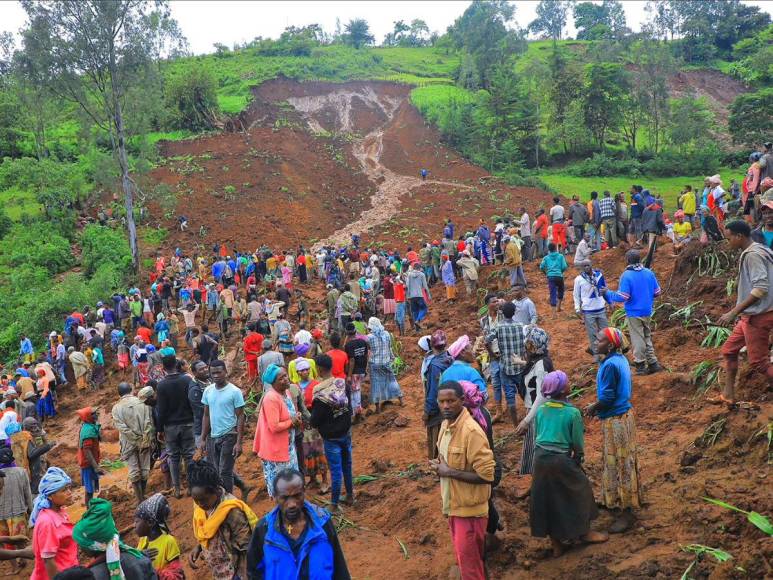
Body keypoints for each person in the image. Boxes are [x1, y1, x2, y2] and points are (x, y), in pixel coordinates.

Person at [530, 371, 608, 556]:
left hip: (540, 459)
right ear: (564, 390)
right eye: (567, 383)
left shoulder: (541, 409)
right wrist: (578, 456)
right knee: (580, 490)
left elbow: (538, 434)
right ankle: (584, 532)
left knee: (546, 498)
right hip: (561, 459)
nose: (569, 384)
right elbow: (577, 442)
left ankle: (556, 543)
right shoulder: (572, 413)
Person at [429, 381, 495, 580]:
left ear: (462, 401)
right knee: (467, 562)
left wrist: (448, 472)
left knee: (470, 569)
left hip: (470, 513)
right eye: (442, 401)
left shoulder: (471, 432)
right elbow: (447, 461)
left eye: (451, 401)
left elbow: (487, 475)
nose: (446, 406)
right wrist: (439, 466)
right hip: (454, 506)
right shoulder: (444, 426)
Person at [584, 328, 641, 533]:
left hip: (615, 419)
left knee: (619, 463)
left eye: (599, 340)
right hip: (625, 416)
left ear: (610, 345)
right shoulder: (620, 359)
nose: (595, 342)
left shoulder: (609, 366)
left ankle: (626, 513)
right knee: (626, 460)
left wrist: (593, 407)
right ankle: (625, 499)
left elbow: (607, 397)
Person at [247, 468, 350, 580]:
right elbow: (254, 571)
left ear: (304, 492)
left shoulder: (323, 523)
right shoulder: (263, 530)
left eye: (297, 496)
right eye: (284, 498)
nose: (292, 504)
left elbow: (339, 567)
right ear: (275, 497)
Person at [715, 220, 773, 406]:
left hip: (758, 314)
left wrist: (733, 312)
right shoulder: (760, 249)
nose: (728, 242)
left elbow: (760, 288)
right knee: (729, 350)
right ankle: (728, 395)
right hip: (751, 314)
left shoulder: (753, 256)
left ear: (739, 236)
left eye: (729, 238)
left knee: (759, 363)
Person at [188, 460, 257, 579]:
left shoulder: (232, 511)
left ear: (215, 490)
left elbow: (246, 546)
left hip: (234, 572)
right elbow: (206, 530)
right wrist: (199, 547)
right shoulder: (201, 507)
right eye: (196, 500)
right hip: (219, 571)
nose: (199, 504)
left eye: (203, 500)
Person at [604, 250, 663, 375]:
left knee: (637, 338)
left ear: (627, 261)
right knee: (647, 335)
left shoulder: (627, 275)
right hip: (647, 310)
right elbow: (657, 292)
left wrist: (607, 293)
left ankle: (640, 364)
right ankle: (653, 363)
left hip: (634, 312)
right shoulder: (648, 273)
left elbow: (623, 296)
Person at [73, 498, 157, 579]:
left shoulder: (92, 575)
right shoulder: (140, 559)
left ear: (93, 547)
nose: (80, 547)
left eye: (81, 544)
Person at [310, 355, 353, 511]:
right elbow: (349, 406)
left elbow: (315, 420)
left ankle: (334, 504)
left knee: (335, 471)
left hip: (331, 438)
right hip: (346, 432)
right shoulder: (342, 383)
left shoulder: (319, 393)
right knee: (347, 465)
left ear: (320, 369)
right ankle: (349, 495)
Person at [253, 365, 301, 497]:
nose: (286, 379)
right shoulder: (271, 398)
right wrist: (292, 422)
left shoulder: (286, 393)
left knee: (291, 483)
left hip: (288, 448)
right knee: (281, 488)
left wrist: (296, 417)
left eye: (285, 375)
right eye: (281, 378)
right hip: (276, 451)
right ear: (273, 383)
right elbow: (274, 426)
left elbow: (290, 414)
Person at [200, 360, 245, 494]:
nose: (216, 376)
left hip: (230, 435)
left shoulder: (234, 392)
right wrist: (203, 438)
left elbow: (240, 416)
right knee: (215, 470)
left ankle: (228, 501)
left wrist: (239, 442)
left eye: (219, 372)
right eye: (213, 373)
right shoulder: (208, 391)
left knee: (224, 471)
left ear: (225, 372)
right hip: (213, 437)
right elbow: (206, 415)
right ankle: (228, 494)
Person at [515, 327, 554, 475]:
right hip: (535, 412)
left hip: (537, 414)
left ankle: (540, 483)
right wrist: (520, 362)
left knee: (537, 452)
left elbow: (542, 396)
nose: (527, 348)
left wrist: (526, 420)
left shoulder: (541, 365)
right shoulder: (539, 361)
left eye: (529, 345)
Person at [156, 355, 195, 498]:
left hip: (170, 426)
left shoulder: (161, 385)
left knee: (173, 457)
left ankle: (177, 489)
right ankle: (191, 487)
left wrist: (159, 429)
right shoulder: (187, 380)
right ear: (176, 364)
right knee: (189, 455)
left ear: (163, 368)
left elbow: (162, 410)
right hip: (188, 423)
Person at [30, 467, 78, 579]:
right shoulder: (47, 522)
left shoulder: (60, 511)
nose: (69, 493)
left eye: (68, 488)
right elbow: (48, 561)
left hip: (68, 571)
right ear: (51, 496)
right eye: (64, 490)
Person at [111, 382, 154, 504]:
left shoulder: (116, 408)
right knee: (145, 469)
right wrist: (143, 439)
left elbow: (122, 428)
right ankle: (143, 494)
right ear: (131, 390)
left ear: (119, 394)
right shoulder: (142, 403)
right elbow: (148, 423)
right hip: (144, 441)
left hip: (128, 443)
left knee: (134, 471)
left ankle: (139, 499)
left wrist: (134, 439)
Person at [485, 302, 525, 429]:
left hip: (505, 366)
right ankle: (530, 415)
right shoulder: (520, 326)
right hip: (520, 366)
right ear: (514, 313)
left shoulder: (498, 327)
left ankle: (516, 426)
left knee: (510, 397)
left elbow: (486, 341)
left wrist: (493, 354)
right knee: (525, 393)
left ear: (503, 313)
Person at [135, 493, 184, 579]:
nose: (133, 525)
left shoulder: (168, 541)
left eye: (137, 521)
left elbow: (177, 573)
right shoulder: (143, 540)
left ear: (150, 522)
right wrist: (140, 556)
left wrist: (154, 572)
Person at [0, 446, 32, 572]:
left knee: (5, 543)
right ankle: (23, 559)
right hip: (18, 511)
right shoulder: (21, 472)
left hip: (1, 514)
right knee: (20, 539)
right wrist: (30, 509)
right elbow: (27, 493)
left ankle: (14, 567)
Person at [422, 331, 453, 460]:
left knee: (436, 438)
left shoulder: (434, 365)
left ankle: (437, 465)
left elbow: (433, 391)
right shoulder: (450, 358)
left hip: (438, 408)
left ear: (432, 346)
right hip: (452, 402)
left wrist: (427, 411)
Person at [572, 260, 608, 363]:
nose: (586, 267)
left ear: (592, 265)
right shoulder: (579, 279)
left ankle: (605, 353)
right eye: (584, 266)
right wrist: (577, 308)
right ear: (582, 268)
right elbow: (576, 295)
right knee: (592, 334)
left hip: (600, 308)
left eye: (588, 265)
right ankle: (596, 354)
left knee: (604, 332)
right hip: (588, 311)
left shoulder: (599, 275)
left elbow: (604, 288)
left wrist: (609, 301)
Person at [366, 318, 403, 412]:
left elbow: (368, 351)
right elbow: (389, 347)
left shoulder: (369, 337)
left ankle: (378, 408)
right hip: (386, 362)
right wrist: (392, 358)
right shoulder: (386, 334)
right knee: (392, 381)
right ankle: (401, 400)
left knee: (376, 385)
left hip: (375, 364)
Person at [76, 406, 102, 506]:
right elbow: (87, 451)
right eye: (94, 413)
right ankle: (88, 510)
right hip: (88, 464)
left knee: (90, 488)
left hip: (90, 462)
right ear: (88, 416)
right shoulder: (87, 431)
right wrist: (96, 467)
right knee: (89, 489)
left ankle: (89, 507)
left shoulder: (90, 426)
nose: (97, 415)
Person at [343, 324, 368, 419]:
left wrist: (349, 375)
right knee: (357, 390)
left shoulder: (348, 345)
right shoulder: (363, 341)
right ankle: (357, 412)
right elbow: (366, 356)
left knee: (354, 392)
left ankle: (356, 413)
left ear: (347, 334)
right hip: (362, 370)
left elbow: (352, 360)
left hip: (354, 372)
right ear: (355, 331)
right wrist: (365, 369)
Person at [539, 243, 568, 315]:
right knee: (561, 290)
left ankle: (553, 313)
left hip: (551, 277)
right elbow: (564, 266)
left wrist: (546, 273)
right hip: (559, 276)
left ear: (549, 249)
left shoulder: (546, 258)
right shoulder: (560, 256)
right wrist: (560, 272)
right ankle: (559, 307)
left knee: (553, 293)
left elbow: (541, 267)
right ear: (555, 248)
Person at [405, 263, 430, 331]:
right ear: (419, 268)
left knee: (415, 311)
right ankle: (418, 320)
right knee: (424, 309)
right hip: (419, 295)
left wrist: (408, 296)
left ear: (413, 268)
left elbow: (407, 286)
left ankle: (417, 329)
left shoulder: (409, 275)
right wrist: (429, 295)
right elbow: (425, 286)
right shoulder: (422, 274)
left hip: (412, 296)